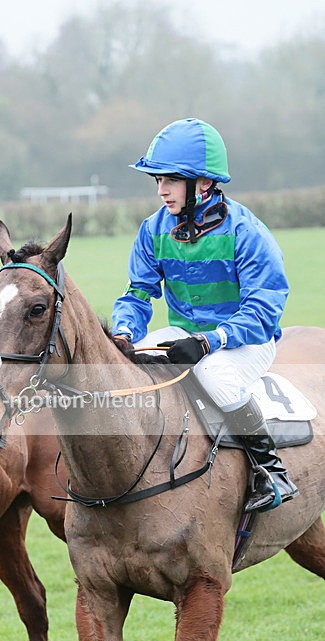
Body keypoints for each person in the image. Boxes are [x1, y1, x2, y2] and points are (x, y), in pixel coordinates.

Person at [112, 117, 298, 513]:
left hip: (247, 341)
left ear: (204, 183)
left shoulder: (248, 232)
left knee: (214, 373)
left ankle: (271, 471)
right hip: (185, 333)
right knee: (132, 362)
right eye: (157, 180)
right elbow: (139, 293)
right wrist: (125, 332)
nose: (161, 191)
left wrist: (209, 341)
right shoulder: (153, 229)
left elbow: (263, 309)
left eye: (171, 180)